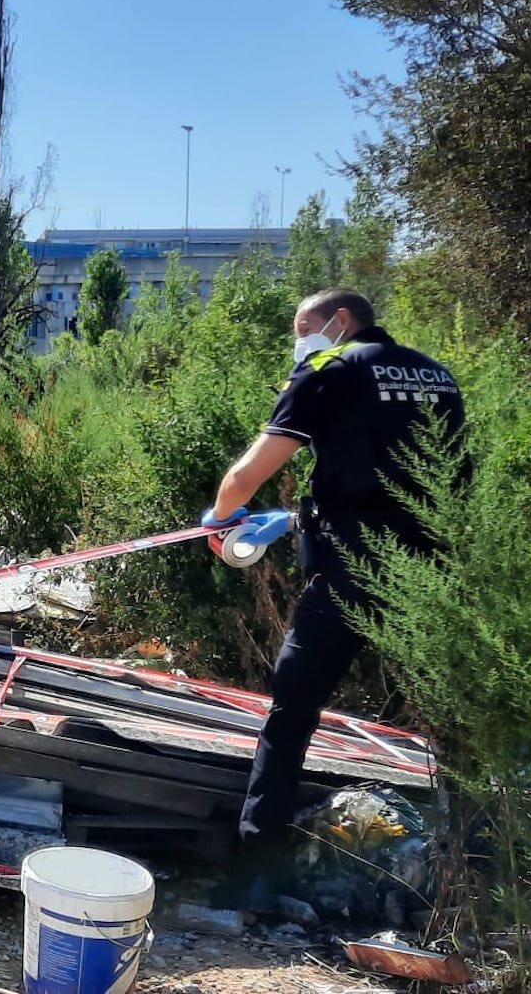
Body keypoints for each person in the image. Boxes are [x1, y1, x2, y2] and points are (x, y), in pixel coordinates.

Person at [198, 287, 466, 903]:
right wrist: (299, 517)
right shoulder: (438, 375)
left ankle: (257, 877)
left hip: (350, 574)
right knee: (453, 725)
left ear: (340, 322)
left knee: (291, 717)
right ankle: (464, 874)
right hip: (432, 577)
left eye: (303, 327)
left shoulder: (326, 368)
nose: (300, 341)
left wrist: (220, 519)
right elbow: (409, 478)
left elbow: (249, 472)